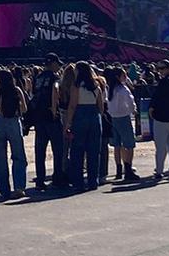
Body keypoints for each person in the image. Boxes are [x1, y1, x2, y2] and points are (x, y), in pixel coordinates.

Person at [64, 61, 105, 191]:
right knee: (94, 150)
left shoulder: (76, 86)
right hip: (94, 116)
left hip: (80, 116)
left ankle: (78, 181)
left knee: (77, 150)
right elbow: (101, 107)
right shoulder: (96, 86)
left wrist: (68, 123)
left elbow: (72, 105)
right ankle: (93, 180)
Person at [0, 68, 28, 198]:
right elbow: (24, 108)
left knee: (0, 157)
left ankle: (3, 188)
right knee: (18, 155)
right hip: (13, 120)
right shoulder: (16, 90)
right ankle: (19, 186)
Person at [29, 53, 65, 191]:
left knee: (40, 150)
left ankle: (40, 179)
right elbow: (55, 90)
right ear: (53, 63)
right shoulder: (54, 77)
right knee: (58, 149)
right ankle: (57, 177)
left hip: (39, 117)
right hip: (51, 117)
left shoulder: (37, 78)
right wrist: (54, 108)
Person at [106, 67, 139, 181]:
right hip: (123, 117)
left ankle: (119, 170)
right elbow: (130, 102)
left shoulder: (110, 89)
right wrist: (133, 110)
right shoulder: (123, 89)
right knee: (129, 145)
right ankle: (128, 169)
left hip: (113, 118)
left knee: (117, 145)